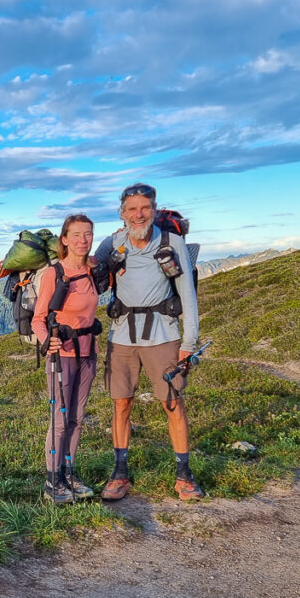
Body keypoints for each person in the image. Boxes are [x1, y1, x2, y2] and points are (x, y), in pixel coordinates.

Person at [94, 182, 203, 501]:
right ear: (122, 213)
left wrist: (189, 341)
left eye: (145, 208)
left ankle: (184, 476)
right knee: (121, 402)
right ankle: (120, 473)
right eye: (131, 209)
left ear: (154, 210)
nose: (138, 214)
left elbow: (187, 293)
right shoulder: (112, 243)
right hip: (122, 336)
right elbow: (89, 277)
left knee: (171, 402)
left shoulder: (172, 242)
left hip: (164, 335)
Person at [32, 213, 100, 503]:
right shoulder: (53, 274)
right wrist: (48, 341)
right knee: (59, 421)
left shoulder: (94, 269)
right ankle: (53, 480)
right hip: (62, 356)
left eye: (88, 234)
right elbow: (38, 318)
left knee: (77, 418)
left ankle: (69, 473)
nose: (83, 240)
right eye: (76, 235)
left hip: (89, 352)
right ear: (64, 239)